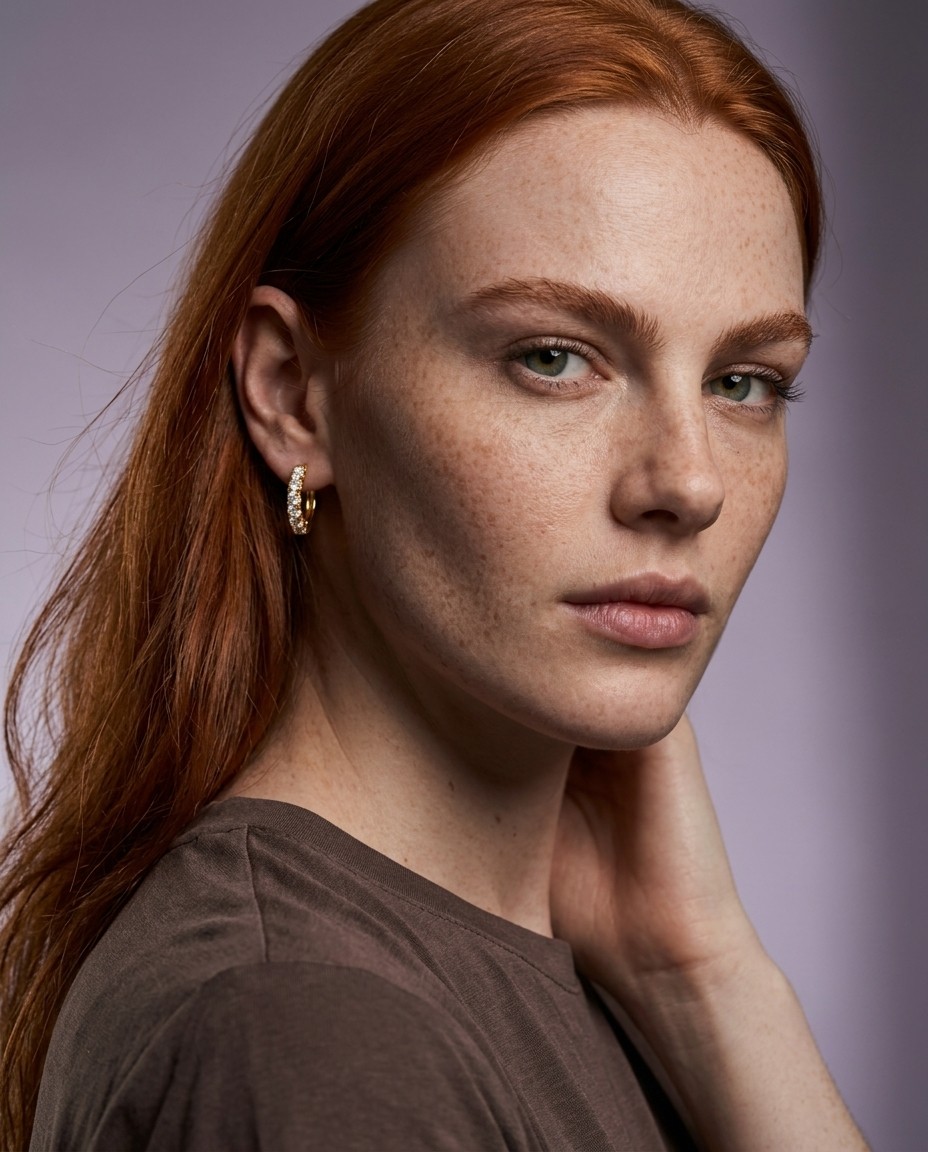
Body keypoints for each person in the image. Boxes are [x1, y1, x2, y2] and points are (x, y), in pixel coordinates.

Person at [0, 0, 869, 1148]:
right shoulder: (308, 1031)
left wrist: (708, 987)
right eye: (553, 357)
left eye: (745, 380)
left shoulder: (569, 974)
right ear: (293, 394)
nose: (688, 482)